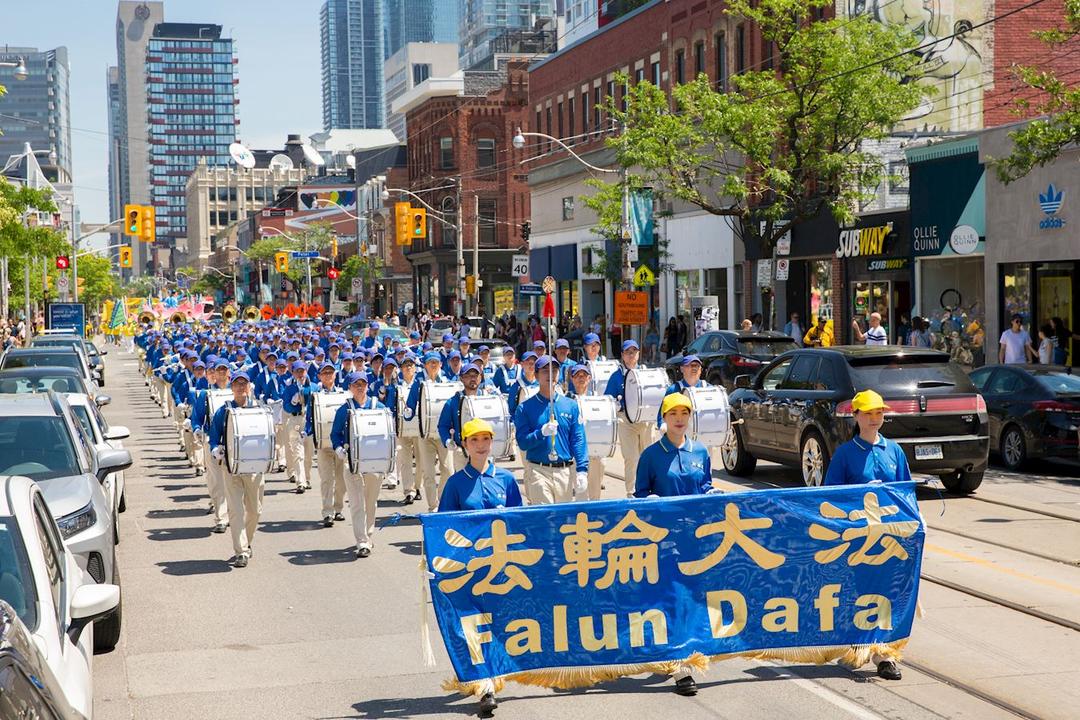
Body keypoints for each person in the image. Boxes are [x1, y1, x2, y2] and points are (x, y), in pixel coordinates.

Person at [823, 389, 910, 680]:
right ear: (856, 416)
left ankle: (884, 656)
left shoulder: (894, 451)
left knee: (888, 594)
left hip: (888, 540)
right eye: (869, 413)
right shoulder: (846, 454)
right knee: (858, 593)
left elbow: (905, 495)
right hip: (858, 540)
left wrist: (916, 524)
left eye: (879, 413)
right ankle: (858, 643)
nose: (875, 418)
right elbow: (830, 497)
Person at [633, 391, 716, 695]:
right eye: (673, 414)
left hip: (695, 540)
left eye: (685, 414)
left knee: (692, 601)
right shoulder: (651, 455)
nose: (680, 419)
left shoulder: (701, 453)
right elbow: (639, 494)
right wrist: (649, 500)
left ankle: (684, 652)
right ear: (664, 419)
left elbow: (705, 486)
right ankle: (681, 666)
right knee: (673, 599)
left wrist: (711, 494)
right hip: (665, 543)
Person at [207, 371, 266, 568]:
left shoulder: (260, 409)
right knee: (236, 511)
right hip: (232, 468)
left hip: (255, 468)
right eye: (237, 384)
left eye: (244, 384)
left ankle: (247, 542)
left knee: (255, 511)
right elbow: (214, 436)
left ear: (249, 386)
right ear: (232, 388)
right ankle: (240, 550)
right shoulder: (223, 411)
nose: (241, 387)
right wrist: (216, 449)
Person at [513, 355, 589, 504]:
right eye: (545, 371)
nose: (550, 375)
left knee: (562, 522)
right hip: (538, 470)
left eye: (554, 370)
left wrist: (582, 470)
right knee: (546, 518)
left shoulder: (570, 405)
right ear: (536, 375)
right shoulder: (525, 408)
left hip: (564, 472)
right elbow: (522, 442)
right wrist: (540, 433)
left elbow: (578, 438)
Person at [330, 372, 387, 558]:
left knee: (371, 502)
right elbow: (335, 434)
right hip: (352, 463)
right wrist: (338, 447)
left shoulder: (378, 407)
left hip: (374, 463)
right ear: (350, 387)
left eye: (362, 384)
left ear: (368, 385)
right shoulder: (344, 410)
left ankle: (368, 535)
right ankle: (361, 541)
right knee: (356, 503)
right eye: (356, 384)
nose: (360, 387)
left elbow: (388, 432)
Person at [604, 340, 655, 497]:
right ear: (622, 356)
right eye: (628, 352)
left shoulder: (645, 372)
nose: (631, 355)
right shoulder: (616, 376)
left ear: (639, 354)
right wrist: (616, 404)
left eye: (634, 351)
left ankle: (651, 488)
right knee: (631, 457)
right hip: (625, 420)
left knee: (649, 456)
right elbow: (608, 398)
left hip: (645, 420)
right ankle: (631, 492)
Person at [565, 362, 605, 500]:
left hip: (594, 451)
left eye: (584, 375)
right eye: (577, 376)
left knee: (595, 494)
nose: (581, 378)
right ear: (572, 379)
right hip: (575, 452)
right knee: (581, 493)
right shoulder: (566, 400)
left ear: (589, 378)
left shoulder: (597, 399)